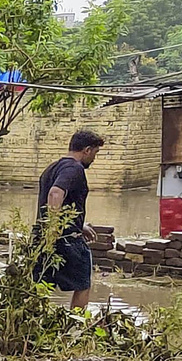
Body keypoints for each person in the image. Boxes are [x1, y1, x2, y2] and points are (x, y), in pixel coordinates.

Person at [34, 130, 102, 310]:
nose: (94, 159)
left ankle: (34, 325)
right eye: (95, 153)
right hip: (66, 240)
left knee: (40, 285)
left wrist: (80, 224)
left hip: (41, 238)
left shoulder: (51, 168)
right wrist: (55, 227)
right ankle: (74, 327)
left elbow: (61, 201)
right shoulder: (74, 168)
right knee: (82, 284)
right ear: (87, 150)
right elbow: (55, 193)